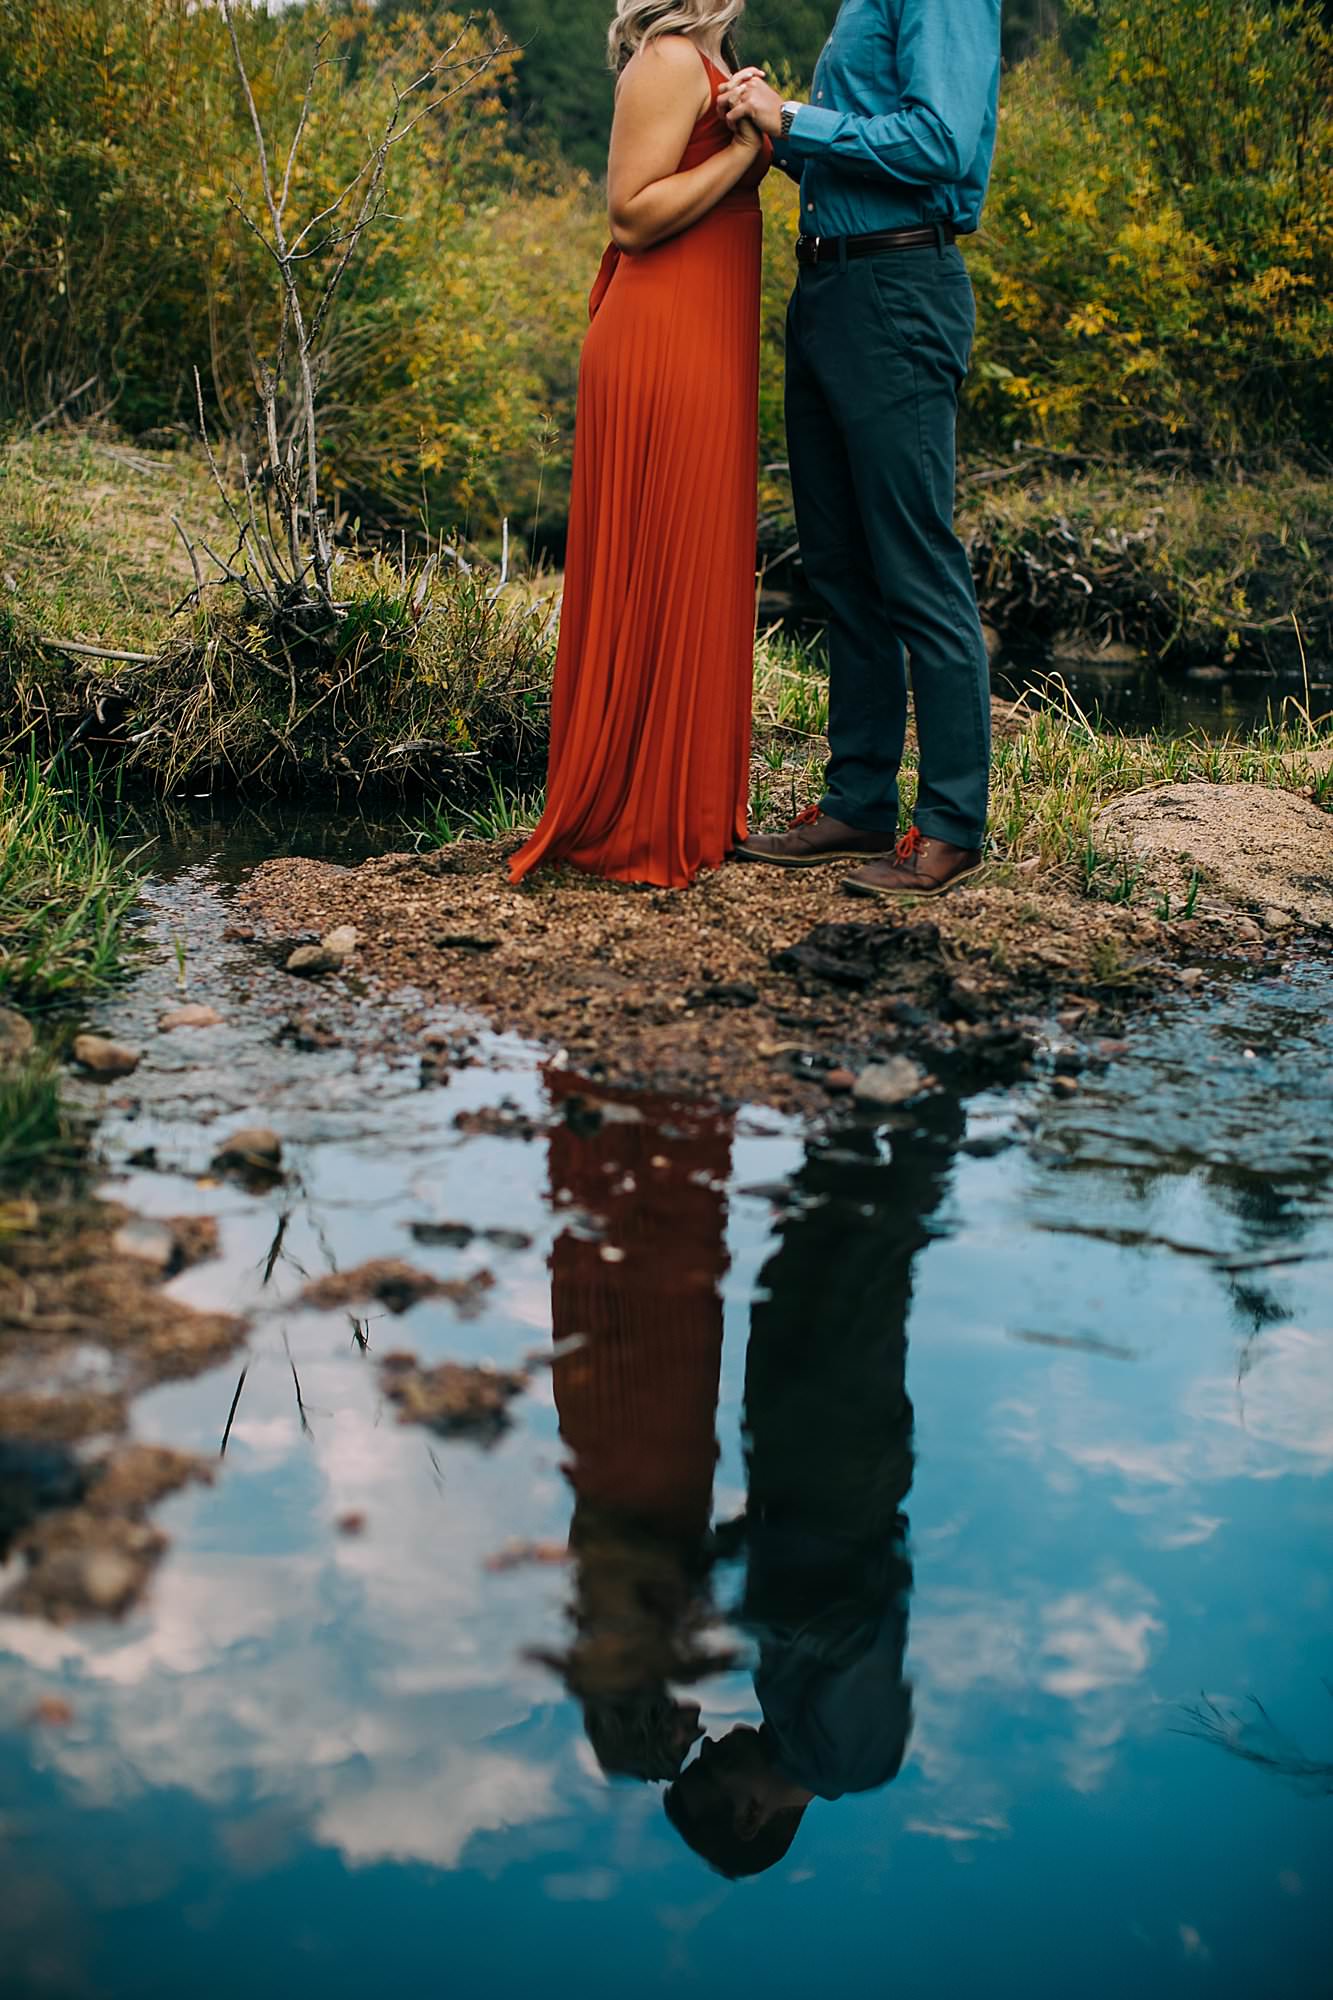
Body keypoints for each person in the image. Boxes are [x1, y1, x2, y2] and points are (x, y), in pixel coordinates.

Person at [720, 1, 1002, 901]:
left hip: (898, 285)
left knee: (914, 561)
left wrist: (795, 118)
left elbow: (941, 142)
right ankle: (858, 804)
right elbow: (861, 156)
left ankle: (952, 826)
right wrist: (774, 124)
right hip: (829, 288)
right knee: (840, 566)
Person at [665, 1100, 966, 1877]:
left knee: (802, 1273)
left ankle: (849, 1103)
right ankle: (944, 1084)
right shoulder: (851, 1763)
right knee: (866, 1275)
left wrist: (715, 1560)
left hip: (798, 1479)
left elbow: (789, 1589)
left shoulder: (790, 1727)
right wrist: (732, 1617)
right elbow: (856, 1629)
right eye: (709, 1775)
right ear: (749, 1813)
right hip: (843, 1486)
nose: (708, 1748)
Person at [508, 3, 771, 889]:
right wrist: (741, 153)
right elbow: (630, 215)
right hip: (663, 340)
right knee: (665, 560)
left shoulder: (716, 62)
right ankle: (636, 816)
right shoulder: (665, 61)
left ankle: (689, 809)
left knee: (696, 562)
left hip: (707, 339)